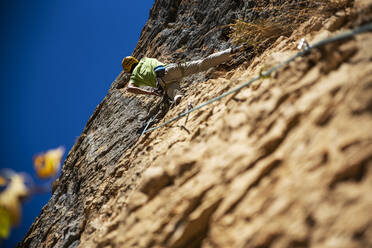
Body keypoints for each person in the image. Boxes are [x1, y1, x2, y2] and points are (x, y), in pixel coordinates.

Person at [122, 46, 245, 104]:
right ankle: (232, 51)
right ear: (135, 60)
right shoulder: (144, 59)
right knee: (201, 64)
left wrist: (150, 93)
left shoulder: (134, 76)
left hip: (162, 83)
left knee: (175, 93)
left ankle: (179, 100)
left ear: (128, 70)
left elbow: (129, 88)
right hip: (168, 69)